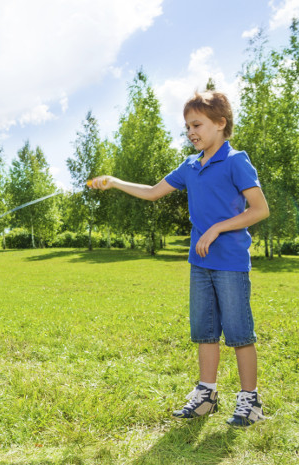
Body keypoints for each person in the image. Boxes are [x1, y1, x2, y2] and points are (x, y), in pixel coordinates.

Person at [89, 90, 270, 426]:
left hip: (230, 262)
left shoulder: (235, 160)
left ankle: (251, 402)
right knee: (204, 332)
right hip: (199, 264)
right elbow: (152, 192)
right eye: (187, 126)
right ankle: (206, 396)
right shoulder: (190, 166)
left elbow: (260, 210)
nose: (191, 132)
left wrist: (216, 229)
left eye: (197, 124)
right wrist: (114, 181)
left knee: (239, 333)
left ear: (220, 123)